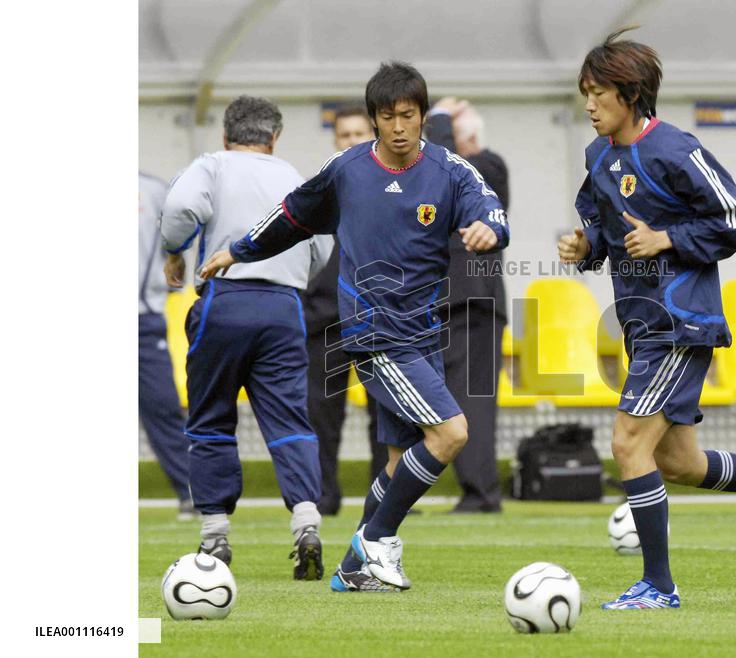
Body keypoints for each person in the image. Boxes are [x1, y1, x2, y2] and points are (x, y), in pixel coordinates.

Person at [199, 62, 510, 593]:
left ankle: (352, 566)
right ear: (373, 119)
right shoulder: (346, 170)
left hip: (424, 332)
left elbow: (492, 210)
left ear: (423, 116)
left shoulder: (451, 170)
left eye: (408, 115)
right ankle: (377, 542)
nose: (398, 127)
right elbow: (290, 217)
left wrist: (489, 229)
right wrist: (239, 250)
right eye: (387, 117)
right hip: (373, 331)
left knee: (397, 458)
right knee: (451, 432)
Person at [557, 29, 736, 610]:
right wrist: (585, 247)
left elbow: (734, 217)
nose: (590, 105)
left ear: (630, 94)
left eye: (599, 94)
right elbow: (606, 228)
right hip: (641, 324)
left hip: (680, 322)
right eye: (586, 94)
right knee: (679, 463)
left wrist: (667, 238)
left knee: (628, 442)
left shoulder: (674, 149)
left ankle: (658, 586)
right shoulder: (598, 156)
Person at [160, 95, 334, 580]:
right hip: (284, 307)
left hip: (225, 299)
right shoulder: (294, 176)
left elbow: (180, 205)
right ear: (274, 137)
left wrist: (174, 251)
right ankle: (306, 522)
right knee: (290, 420)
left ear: (225, 135)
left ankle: (215, 535)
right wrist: (294, 272)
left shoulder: (212, 165)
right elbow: (323, 244)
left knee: (212, 417)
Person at [424, 98, 509, 513]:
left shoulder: (489, 167)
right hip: (447, 304)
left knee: (473, 400)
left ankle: (481, 492)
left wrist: (439, 118)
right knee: (453, 400)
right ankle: (474, 490)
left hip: (474, 304)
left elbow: (448, 170)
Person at [301, 105, 385, 516]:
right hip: (324, 318)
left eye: (358, 134)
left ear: (372, 136)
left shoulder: (396, 188)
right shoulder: (319, 190)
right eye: (344, 135)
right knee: (321, 414)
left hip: (377, 317)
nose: (351, 141)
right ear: (336, 140)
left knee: (385, 415)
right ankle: (322, 497)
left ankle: (385, 497)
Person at [138, 171, 193, 520]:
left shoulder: (153, 189)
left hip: (143, 320)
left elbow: (176, 240)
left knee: (164, 407)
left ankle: (192, 491)